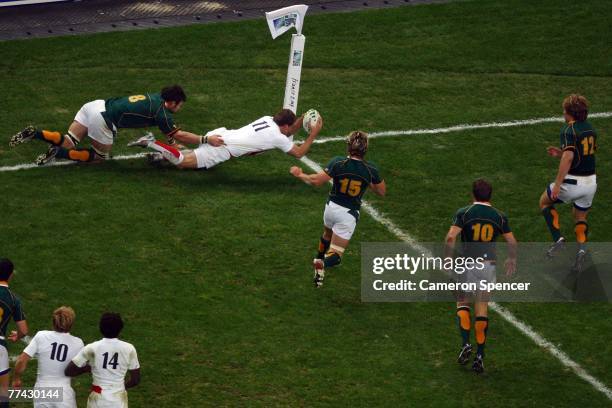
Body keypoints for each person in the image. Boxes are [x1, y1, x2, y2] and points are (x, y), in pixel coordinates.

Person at [9, 85, 215, 165]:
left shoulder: (155, 99)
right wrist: (204, 139)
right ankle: (59, 154)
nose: (180, 108)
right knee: (100, 157)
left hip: (94, 105)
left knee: (70, 140)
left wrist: (171, 139)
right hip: (104, 120)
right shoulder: (163, 113)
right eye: (179, 105)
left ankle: (35, 133)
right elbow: (179, 135)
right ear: (172, 103)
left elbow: (168, 130)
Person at [289, 131, 386, 287]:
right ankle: (322, 263)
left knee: (327, 233)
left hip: (331, 207)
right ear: (365, 149)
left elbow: (316, 181)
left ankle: (319, 257)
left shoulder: (337, 163)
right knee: (336, 255)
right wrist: (367, 181)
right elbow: (381, 192)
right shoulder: (370, 170)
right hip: (347, 214)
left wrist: (300, 174)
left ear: (348, 147)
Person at [444, 179, 517, 374]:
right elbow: (511, 241)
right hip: (488, 266)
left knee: (462, 303)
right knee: (482, 308)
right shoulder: (499, 216)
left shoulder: (465, 213)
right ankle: (480, 355)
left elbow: (451, 236)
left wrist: (448, 258)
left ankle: (466, 343)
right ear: (490, 195)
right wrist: (511, 259)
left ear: (473, 194)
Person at [126, 108, 322, 169]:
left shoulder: (268, 119)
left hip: (222, 135)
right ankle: (151, 141)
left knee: (189, 155)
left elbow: (287, 130)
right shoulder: (277, 137)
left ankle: (161, 155)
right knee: (182, 163)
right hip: (221, 148)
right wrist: (312, 134)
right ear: (285, 126)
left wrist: (303, 118)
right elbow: (298, 153)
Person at [539, 94, 597, 272]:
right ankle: (581, 250)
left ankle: (558, 239)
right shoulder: (590, 129)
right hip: (591, 183)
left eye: (564, 110)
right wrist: (561, 152)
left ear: (570, 113)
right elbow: (581, 153)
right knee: (580, 217)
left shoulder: (568, 130)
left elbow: (569, 157)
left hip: (572, 183)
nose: (563, 113)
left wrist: (557, 184)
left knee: (544, 201)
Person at [12, 306, 84, 408]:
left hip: (42, 391)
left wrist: (16, 379)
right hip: (64, 392)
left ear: (53, 322)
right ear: (71, 324)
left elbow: (21, 360)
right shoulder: (78, 343)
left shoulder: (41, 335)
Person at [65, 313, 139, 408]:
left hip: (97, 399)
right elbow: (135, 380)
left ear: (100, 328)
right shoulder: (129, 349)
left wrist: (86, 368)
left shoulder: (91, 348)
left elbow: (69, 371)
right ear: (120, 329)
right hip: (118, 401)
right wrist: (120, 387)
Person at [0, 259, 29, 408]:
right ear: (10, 275)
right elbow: (24, 330)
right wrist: (18, 336)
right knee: (3, 395)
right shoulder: (12, 299)